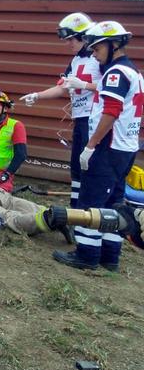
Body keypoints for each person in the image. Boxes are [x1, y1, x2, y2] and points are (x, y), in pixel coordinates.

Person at [53, 21, 143, 271]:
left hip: (107, 147)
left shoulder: (115, 73)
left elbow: (111, 112)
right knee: (114, 201)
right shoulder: (134, 72)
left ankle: (87, 254)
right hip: (126, 148)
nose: (93, 53)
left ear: (113, 45)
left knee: (90, 201)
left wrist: (90, 146)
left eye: (96, 48)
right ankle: (110, 255)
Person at [20, 12, 102, 207]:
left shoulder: (100, 59)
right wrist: (37, 95)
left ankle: (89, 210)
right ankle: (76, 210)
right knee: (76, 167)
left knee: (90, 167)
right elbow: (62, 87)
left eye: (71, 39)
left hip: (95, 119)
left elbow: (111, 88)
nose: (69, 44)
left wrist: (85, 84)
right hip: (80, 119)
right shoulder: (75, 61)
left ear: (84, 36)